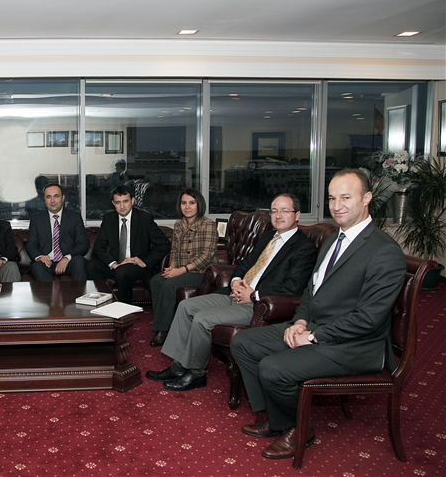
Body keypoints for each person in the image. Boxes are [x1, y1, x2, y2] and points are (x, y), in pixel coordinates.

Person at [232, 169, 406, 460]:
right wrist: (301, 321)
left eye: (346, 197)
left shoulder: (384, 251)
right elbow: (311, 291)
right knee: (243, 343)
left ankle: (298, 428)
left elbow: (368, 319)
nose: (337, 205)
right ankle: (273, 417)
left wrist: (313, 336)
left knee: (273, 368)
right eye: (332, 198)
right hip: (316, 326)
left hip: (357, 345)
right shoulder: (331, 240)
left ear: (367, 199)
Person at [146, 193, 317, 391]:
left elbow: (293, 287)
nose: (278, 215)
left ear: (297, 215)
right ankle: (178, 366)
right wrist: (236, 281)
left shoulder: (304, 248)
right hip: (235, 293)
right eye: (274, 211)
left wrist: (253, 295)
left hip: (258, 304)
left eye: (285, 211)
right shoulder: (268, 237)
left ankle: (196, 373)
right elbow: (245, 264)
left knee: (201, 318)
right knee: (185, 306)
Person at [148, 188, 218, 347]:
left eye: (191, 203)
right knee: (156, 281)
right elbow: (174, 250)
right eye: (184, 203)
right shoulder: (179, 224)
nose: (187, 207)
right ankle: (167, 322)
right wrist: (172, 267)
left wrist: (181, 270)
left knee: (170, 284)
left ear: (199, 204)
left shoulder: (208, 225)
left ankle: (162, 331)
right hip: (181, 270)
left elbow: (207, 256)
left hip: (202, 273)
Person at [86, 185, 170, 304]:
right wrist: (114, 264)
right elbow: (98, 248)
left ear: (133, 201)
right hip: (117, 263)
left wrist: (145, 262)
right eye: (118, 202)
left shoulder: (144, 218)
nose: (122, 206)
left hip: (137, 266)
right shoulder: (108, 219)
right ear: (113, 203)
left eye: (125, 201)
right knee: (90, 266)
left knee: (122, 272)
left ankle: (125, 308)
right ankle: (103, 303)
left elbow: (164, 244)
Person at [27, 183, 89, 281]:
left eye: (56, 196)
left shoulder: (75, 217)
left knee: (79, 261)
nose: (52, 200)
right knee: (37, 266)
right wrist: (40, 257)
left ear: (63, 198)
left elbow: (83, 244)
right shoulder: (36, 219)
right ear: (44, 200)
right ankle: (49, 291)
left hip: (68, 262)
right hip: (46, 263)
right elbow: (31, 245)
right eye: (48, 197)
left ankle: (79, 291)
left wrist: (67, 258)